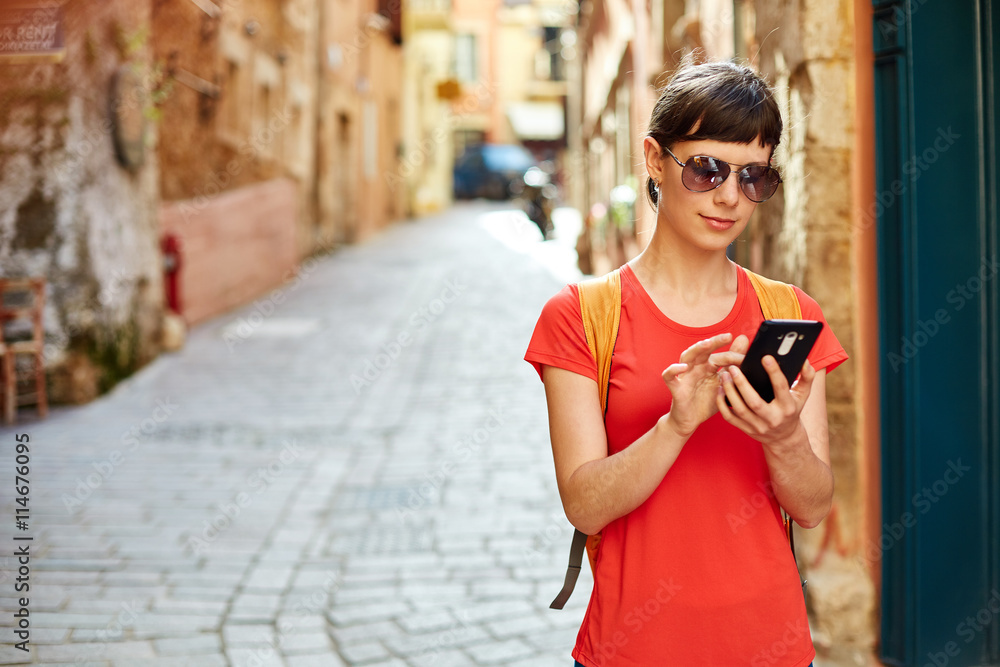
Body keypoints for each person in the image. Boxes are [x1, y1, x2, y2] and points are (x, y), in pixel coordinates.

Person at [524, 59, 847, 666]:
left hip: (771, 647)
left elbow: (812, 507)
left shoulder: (791, 313)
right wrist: (676, 424)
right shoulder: (581, 316)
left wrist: (782, 437)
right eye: (706, 168)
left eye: (754, 177)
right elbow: (585, 504)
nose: (730, 196)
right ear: (654, 160)